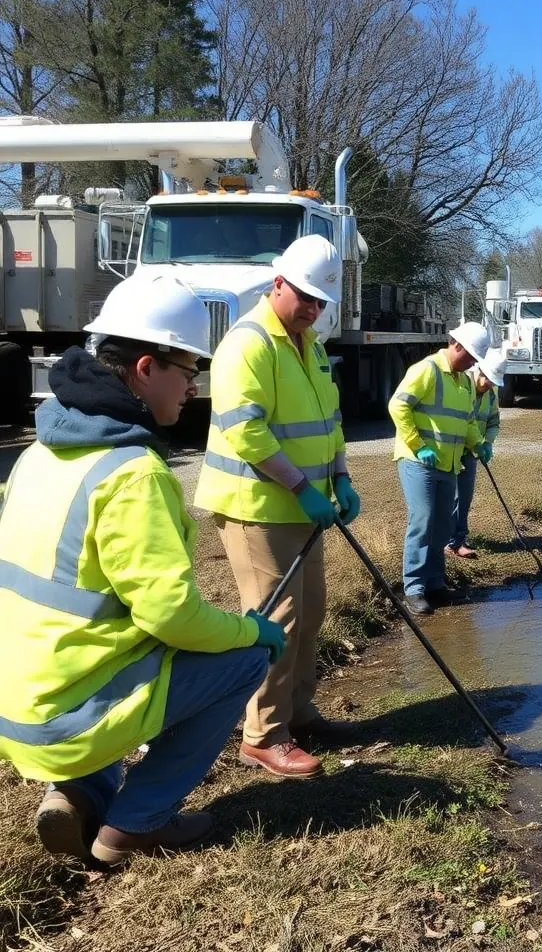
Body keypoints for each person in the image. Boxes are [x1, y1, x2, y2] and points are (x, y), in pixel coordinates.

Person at [0, 275, 285, 867]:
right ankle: (134, 824)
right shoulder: (132, 473)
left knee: (117, 652)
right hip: (70, 715)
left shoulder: (38, 452)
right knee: (242, 661)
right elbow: (172, 616)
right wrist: (251, 631)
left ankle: (82, 791)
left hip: (19, 706)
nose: (192, 388)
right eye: (188, 371)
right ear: (147, 368)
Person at [193, 235, 360, 780]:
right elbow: (246, 430)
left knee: (311, 613)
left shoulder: (308, 345)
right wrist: (300, 487)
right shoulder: (249, 343)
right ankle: (263, 736)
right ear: (278, 282)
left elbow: (331, 420)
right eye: (305, 296)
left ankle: (299, 712)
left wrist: (339, 476)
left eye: (320, 301)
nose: (312, 308)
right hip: (257, 507)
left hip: (302, 509)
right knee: (277, 621)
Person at [388, 322, 491, 615]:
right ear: (456, 344)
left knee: (443, 524)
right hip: (418, 461)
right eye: (470, 355)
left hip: (449, 463)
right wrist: (417, 444)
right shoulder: (427, 370)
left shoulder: (464, 381)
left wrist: (479, 443)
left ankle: (435, 583)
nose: (473, 362)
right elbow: (398, 406)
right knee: (423, 519)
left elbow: (468, 421)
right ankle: (414, 588)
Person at [446, 348, 506, 559]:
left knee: (464, 497)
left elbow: (493, 422)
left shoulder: (490, 394)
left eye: (493, 381)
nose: (488, 384)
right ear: (479, 370)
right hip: (452, 449)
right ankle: (448, 542)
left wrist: (487, 444)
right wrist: (477, 443)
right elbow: (461, 421)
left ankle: (458, 540)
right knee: (449, 497)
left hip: (472, 452)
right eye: (487, 379)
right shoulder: (462, 385)